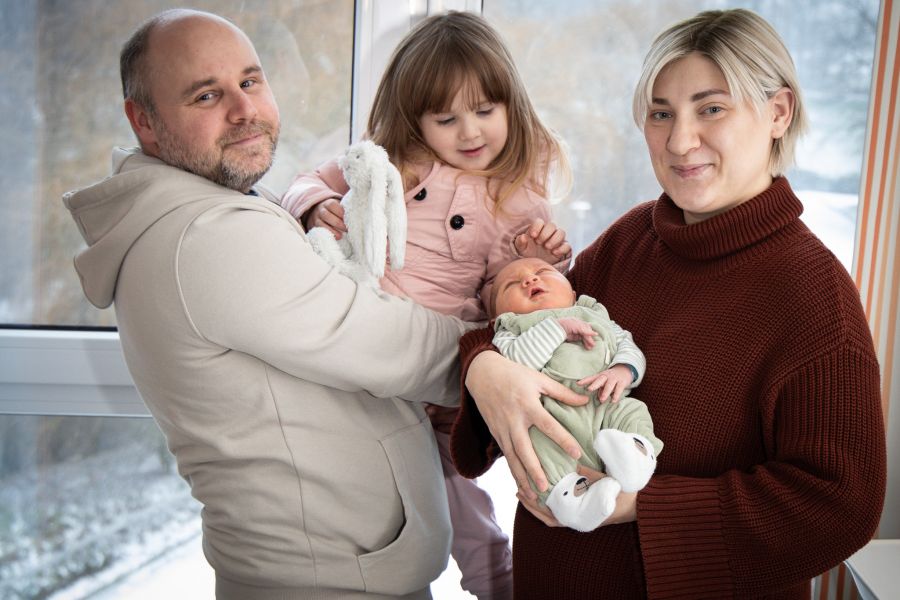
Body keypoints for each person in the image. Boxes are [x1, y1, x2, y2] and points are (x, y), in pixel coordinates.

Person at [450, 8, 887, 599]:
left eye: (711, 108)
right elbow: (531, 316)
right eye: (661, 114)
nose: (680, 141)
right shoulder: (631, 240)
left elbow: (840, 506)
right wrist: (484, 367)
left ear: (778, 113)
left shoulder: (814, 299)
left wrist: (636, 507)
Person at [62, 9, 472, 600]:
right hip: (324, 584)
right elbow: (401, 350)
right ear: (143, 121)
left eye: (250, 82)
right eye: (206, 95)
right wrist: (533, 339)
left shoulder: (205, 210)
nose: (243, 109)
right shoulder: (205, 236)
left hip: (330, 570)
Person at [281, 12, 571, 600]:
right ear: (416, 121)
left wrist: (536, 258)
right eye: (447, 118)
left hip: (443, 364)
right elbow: (301, 181)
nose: (470, 131)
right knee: (354, 487)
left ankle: (495, 579)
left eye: (486, 110)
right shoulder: (389, 164)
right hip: (364, 349)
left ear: (512, 104)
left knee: (455, 487)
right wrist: (314, 205)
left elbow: (510, 304)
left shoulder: (518, 197)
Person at [489, 257, 662, 532]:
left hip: (604, 401)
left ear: (572, 293)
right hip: (551, 416)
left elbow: (627, 346)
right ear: (498, 315)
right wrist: (556, 329)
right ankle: (571, 501)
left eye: (542, 272)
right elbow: (515, 363)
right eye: (512, 284)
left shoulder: (594, 314)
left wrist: (622, 370)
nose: (530, 280)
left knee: (633, 411)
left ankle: (634, 455)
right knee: (535, 448)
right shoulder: (511, 329)